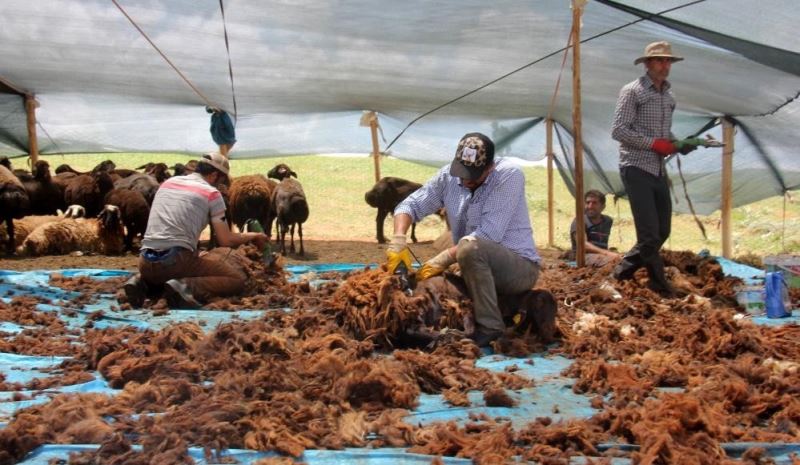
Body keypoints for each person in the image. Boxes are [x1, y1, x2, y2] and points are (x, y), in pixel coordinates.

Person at [386, 133, 541, 346]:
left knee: (469, 249)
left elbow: (488, 235)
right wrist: (399, 239)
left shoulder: (508, 176)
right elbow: (409, 205)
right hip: (474, 267)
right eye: (462, 173)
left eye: (473, 175)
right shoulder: (448, 177)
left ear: (490, 167)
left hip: (518, 268)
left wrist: (441, 259)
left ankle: (491, 328)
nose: (466, 180)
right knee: (437, 283)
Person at [122, 152, 268, 308]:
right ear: (213, 175)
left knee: (176, 261)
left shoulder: (168, 183)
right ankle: (186, 286)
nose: (222, 184)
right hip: (176, 262)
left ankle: (141, 282)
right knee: (236, 279)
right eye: (222, 179)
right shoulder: (211, 193)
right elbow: (225, 240)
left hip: (144, 262)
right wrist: (254, 235)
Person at [610, 41, 696, 296]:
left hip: (657, 169)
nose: (665, 65)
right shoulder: (632, 91)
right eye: (659, 60)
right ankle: (658, 283)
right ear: (647, 63)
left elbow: (664, 134)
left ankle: (622, 272)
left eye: (668, 61)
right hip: (635, 167)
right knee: (649, 234)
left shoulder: (669, 97)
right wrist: (654, 144)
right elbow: (619, 130)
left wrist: (679, 144)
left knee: (662, 231)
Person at [570, 190, 618, 261]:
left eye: (594, 203)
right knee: (614, 261)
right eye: (587, 203)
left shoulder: (607, 221)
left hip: (602, 255)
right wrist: (606, 253)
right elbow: (583, 245)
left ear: (603, 207)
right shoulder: (579, 221)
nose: (590, 206)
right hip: (583, 256)